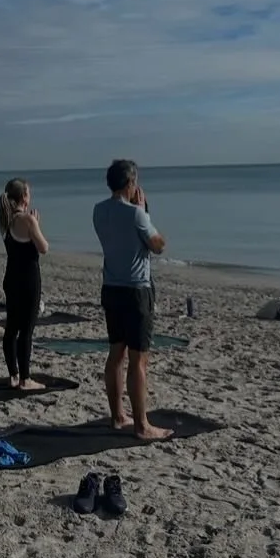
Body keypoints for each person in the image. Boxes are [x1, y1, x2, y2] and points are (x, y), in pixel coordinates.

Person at [92, 159, 170, 440]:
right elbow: (158, 245)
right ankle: (141, 425)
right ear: (130, 184)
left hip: (111, 287)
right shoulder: (136, 214)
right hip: (136, 289)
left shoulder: (98, 210)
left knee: (116, 353)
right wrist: (144, 212)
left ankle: (117, 416)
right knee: (139, 360)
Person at [0, 179, 49, 389]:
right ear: (24, 197)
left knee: (11, 327)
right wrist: (36, 223)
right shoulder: (27, 220)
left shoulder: (6, 219)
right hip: (28, 278)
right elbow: (43, 247)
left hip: (11, 277)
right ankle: (26, 379)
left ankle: (13, 375)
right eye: (29, 193)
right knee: (26, 330)